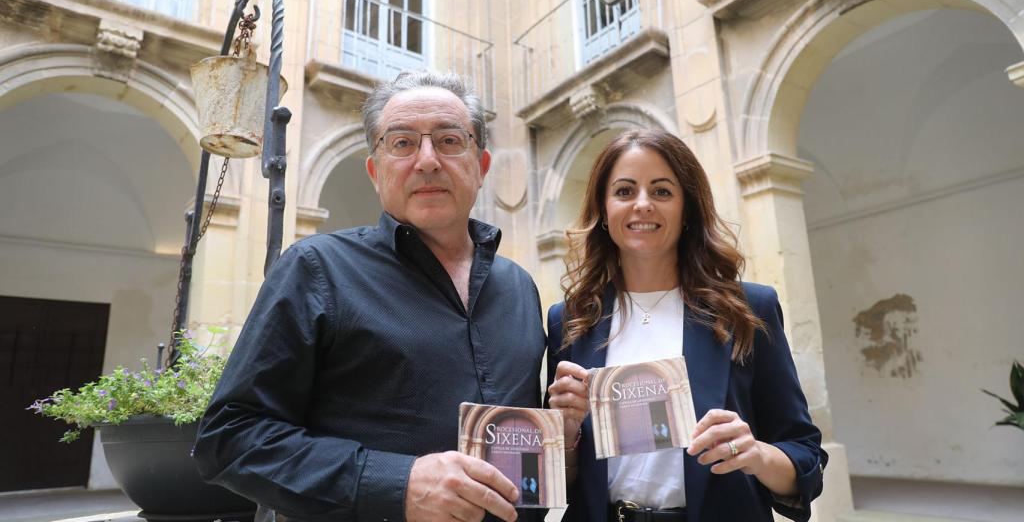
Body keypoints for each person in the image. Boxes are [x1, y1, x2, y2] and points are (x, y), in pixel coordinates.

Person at [193, 71, 547, 522]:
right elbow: (228, 439)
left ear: (480, 167)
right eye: (401, 143)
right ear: (375, 171)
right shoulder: (315, 269)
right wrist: (397, 484)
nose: (427, 160)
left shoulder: (518, 287)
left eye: (450, 140)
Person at [545, 129, 827, 522]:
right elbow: (563, 478)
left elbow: (805, 457)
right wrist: (567, 428)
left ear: (688, 209)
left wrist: (756, 454)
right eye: (624, 191)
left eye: (662, 192)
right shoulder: (570, 319)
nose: (642, 205)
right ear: (604, 211)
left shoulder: (748, 309)